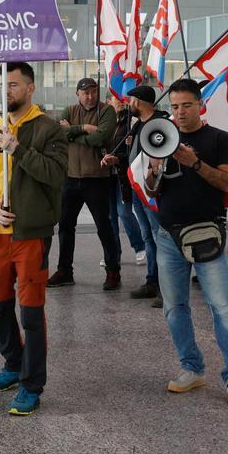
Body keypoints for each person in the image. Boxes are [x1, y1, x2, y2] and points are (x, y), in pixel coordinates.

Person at [143, 78, 228, 412]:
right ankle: (192, 367)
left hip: (206, 235)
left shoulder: (219, 139)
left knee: (224, 310)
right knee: (174, 309)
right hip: (168, 237)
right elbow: (151, 191)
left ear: (200, 105)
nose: (179, 112)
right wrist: (154, 171)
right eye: (174, 107)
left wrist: (194, 162)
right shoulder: (161, 137)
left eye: (186, 105)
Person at [0, 62, 67, 416]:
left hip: (31, 235)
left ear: (30, 88)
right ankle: (13, 363)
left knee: (30, 311)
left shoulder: (49, 129)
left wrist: (18, 150)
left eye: (13, 84)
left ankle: (31, 384)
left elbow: (56, 176)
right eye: (3, 84)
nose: (6, 91)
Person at [49, 77, 121, 290]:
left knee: (104, 227)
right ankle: (64, 271)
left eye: (93, 92)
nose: (90, 96)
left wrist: (74, 132)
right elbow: (59, 134)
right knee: (65, 226)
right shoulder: (68, 110)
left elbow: (100, 139)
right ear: (77, 94)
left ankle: (113, 271)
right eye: (85, 93)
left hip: (97, 178)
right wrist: (84, 128)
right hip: (70, 179)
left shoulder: (106, 111)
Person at [104, 85, 169, 304]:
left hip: (152, 189)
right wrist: (118, 159)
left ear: (139, 102)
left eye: (131, 100)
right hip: (138, 189)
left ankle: (166, 287)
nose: (128, 104)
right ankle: (153, 281)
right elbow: (135, 155)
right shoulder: (139, 125)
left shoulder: (158, 125)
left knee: (159, 236)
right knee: (148, 236)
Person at [106, 92, 147, 268]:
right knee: (110, 217)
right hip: (105, 176)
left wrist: (123, 152)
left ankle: (139, 247)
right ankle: (114, 254)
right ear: (109, 101)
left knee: (124, 212)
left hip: (122, 175)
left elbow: (130, 151)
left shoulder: (129, 122)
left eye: (124, 99)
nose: (122, 102)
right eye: (117, 98)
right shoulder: (104, 122)